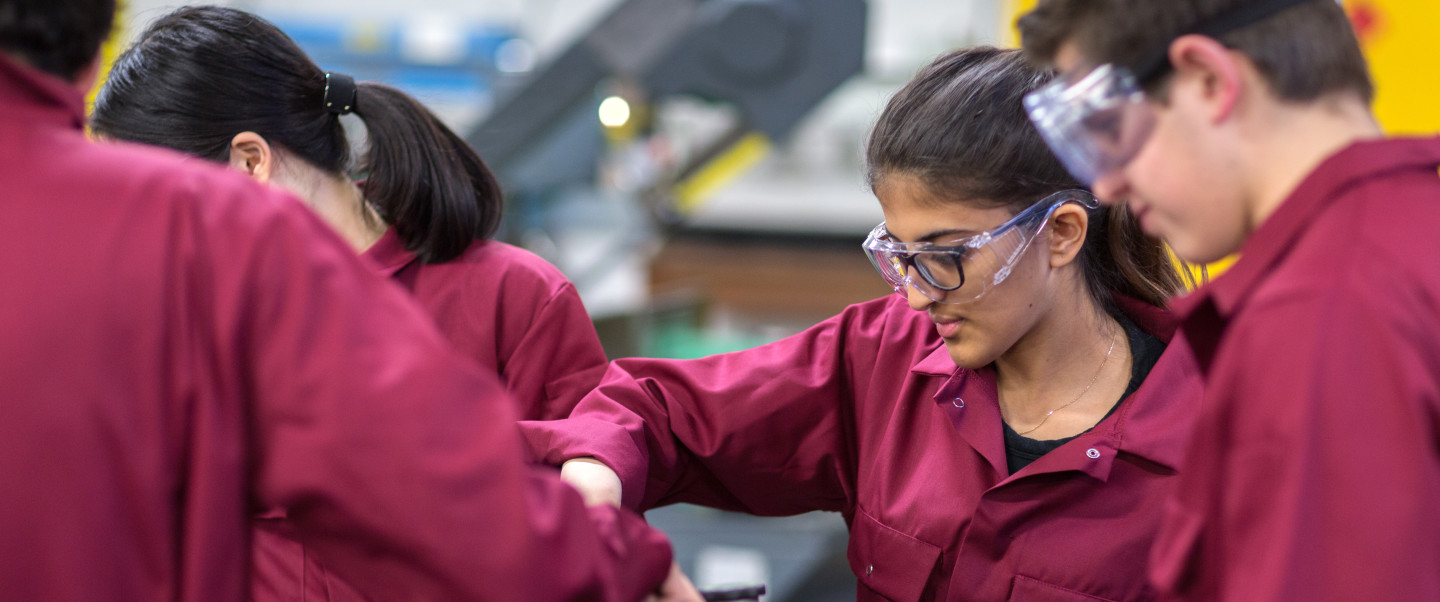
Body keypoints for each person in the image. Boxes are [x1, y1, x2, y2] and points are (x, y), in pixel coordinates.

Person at [0, 0, 679, 599]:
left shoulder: (513, 299)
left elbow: (574, 521)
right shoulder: (180, 320)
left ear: (247, 163)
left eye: (153, 200)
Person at [528, 47, 1204, 601]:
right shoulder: (885, 358)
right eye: (899, 257)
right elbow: (654, 411)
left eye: (944, 257)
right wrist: (594, 491)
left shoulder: (1208, 444)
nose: (916, 298)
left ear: (1059, 234)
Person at [1018, 0, 1440, 599]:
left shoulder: (1320, 314)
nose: (1107, 185)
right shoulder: (1411, 239)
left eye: (1111, 130)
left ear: (1209, 81)